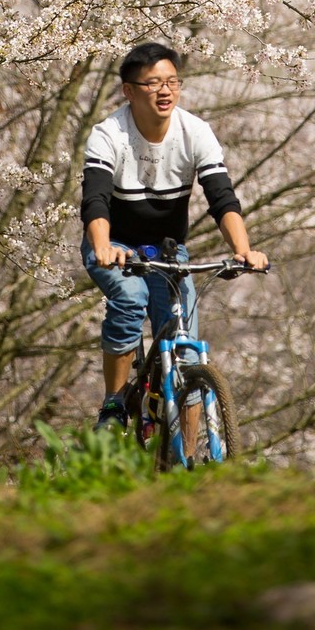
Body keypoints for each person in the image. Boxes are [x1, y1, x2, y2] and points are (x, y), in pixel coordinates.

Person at [80, 41, 269, 430]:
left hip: (167, 251)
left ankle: (187, 460)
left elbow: (221, 196)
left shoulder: (195, 131)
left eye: (171, 81)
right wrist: (101, 246)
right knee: (130, 300)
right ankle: (114, 402)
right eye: (152, 84)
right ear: (129, 91)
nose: (164, 91)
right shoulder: (109, 134)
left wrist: (243, 250)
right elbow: (95, 199)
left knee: (186, 351)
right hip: (115, 245)